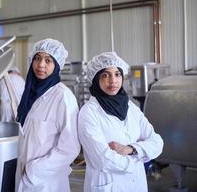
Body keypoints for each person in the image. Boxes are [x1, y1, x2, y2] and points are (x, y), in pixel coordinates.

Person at [78, 52, 163, 192]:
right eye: (105, 75)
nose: (113, 81)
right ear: (95, 79)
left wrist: (131, 149)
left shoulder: (131, 108)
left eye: (117, 74)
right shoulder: (88, 113)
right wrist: (139, 158)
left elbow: (157, 142)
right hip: (109, 185)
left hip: (138, 185)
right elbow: (103, 159)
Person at [15, 38, 80, 192]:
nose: (41, 65)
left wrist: (34, 170)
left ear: (56, 65)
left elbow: (70, 147)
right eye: (37, 58)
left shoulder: (62, 96)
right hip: (24, 177)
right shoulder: (29, 94)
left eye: (48, 60)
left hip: (46, 181)